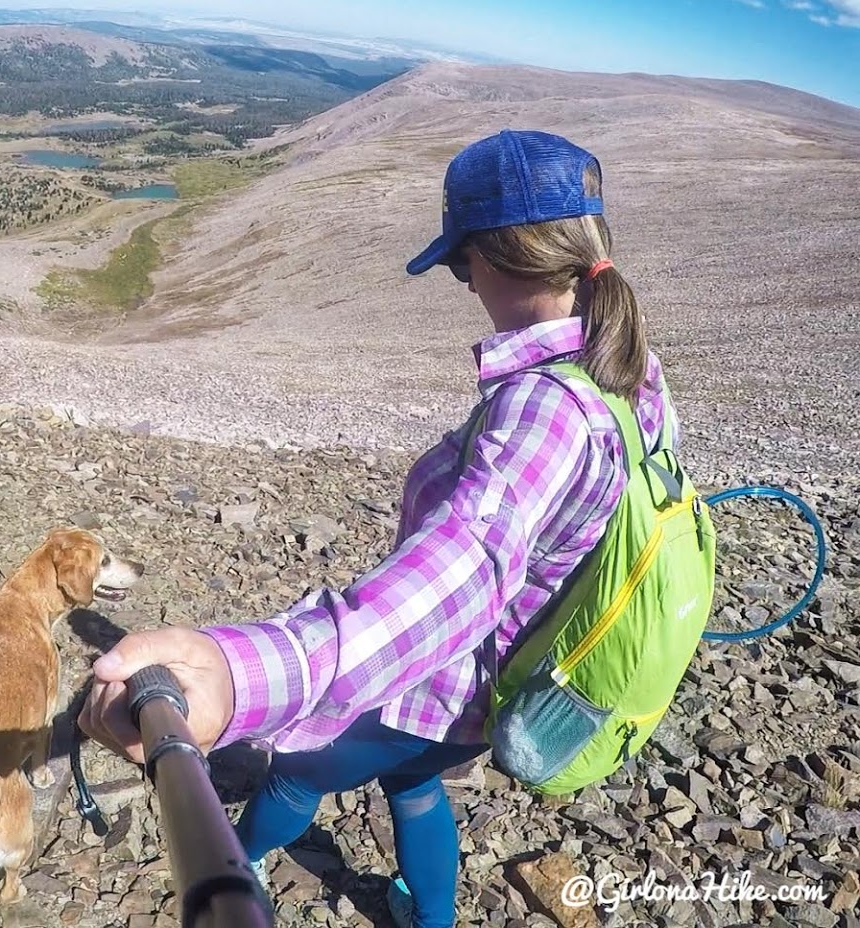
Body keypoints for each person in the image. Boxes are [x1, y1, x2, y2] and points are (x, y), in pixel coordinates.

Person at [79, 129, 681, 928]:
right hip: (502, 683)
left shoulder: (545, 408)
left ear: (492, 257)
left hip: (443, 680)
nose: (466, 286)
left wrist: (242, 674)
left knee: (295, 769)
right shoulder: (625, 366)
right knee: (411, 779)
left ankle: (242, 868)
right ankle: (428, 916)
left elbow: (467, 568)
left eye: (462, 264)